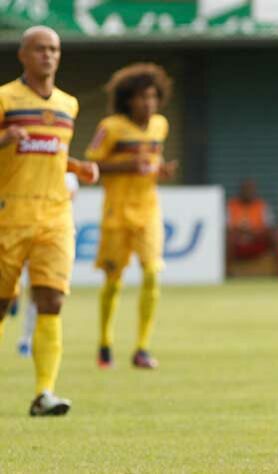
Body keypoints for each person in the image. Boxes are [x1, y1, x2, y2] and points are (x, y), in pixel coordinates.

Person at [0, 26, 98, 416]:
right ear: (22, 55)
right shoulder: (6, 98)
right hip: (10, 213)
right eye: (39, 49)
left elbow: (51, 152)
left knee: (51, 300)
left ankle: (44, 393)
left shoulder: (68, 104)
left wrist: (79, 166)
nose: (48, 55)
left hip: (56, 215)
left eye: (54, 49)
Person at [85, 63, 177, 370]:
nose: (148, 103)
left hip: (148, 210)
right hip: (116, 213)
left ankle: (141, 347)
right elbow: (92, 167)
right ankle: (105, 342)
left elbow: (152, 161)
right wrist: (127, 166)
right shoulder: (110, 127)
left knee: (152, 273)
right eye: (141, 97)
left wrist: (160, 170)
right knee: (113, 281)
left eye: (152, 97)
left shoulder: (159, 126)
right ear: (128, 100)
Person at [16, 173, 80, 357]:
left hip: (51, 236)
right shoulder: (29, 165)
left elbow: (70, 197)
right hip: (23, 228)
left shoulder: (68, 176)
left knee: (42, 293)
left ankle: (27, 339)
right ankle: (14, 294)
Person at [227, 178, 274, 266]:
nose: (248, 192)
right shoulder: (232, 205)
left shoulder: (261, 205)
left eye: (250, 189)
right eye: (245, 189)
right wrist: (240, 232)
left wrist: (252, 232)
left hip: (256, 239)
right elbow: (227, 227)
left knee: (275, 236)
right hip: (237, 241)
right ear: (240, 191)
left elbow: (269, 228)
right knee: (227, 239)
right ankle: (227, 272)